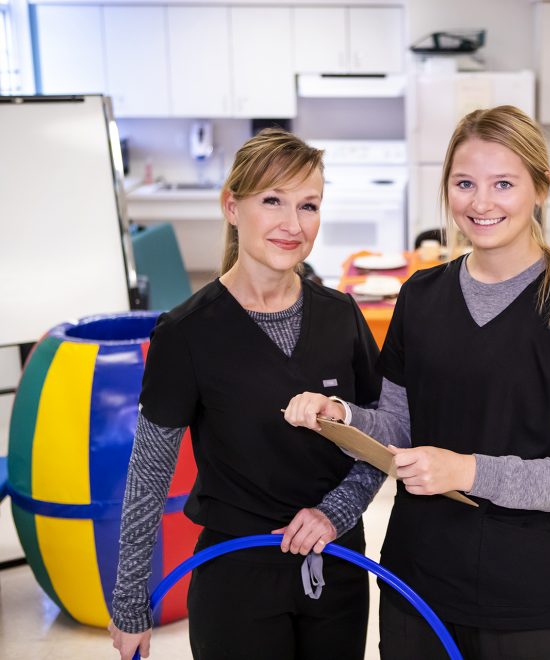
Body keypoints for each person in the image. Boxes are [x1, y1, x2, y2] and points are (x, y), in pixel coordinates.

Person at [284, 105, 550, 660]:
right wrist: (342, 416)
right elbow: (398, 428)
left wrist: (466, 470)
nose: (481, 202)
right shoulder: (420, 297)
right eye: (465, 183)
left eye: (503, 184)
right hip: (417, 585)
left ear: (540, 188)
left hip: (528, 601)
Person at [109, 128, 383, 660]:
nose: (293, 224)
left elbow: (383, 434)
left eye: (308, 205)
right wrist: (129, 601)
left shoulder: (341, 316)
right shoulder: (187, 333)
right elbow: (149, 474)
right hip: (236, 574)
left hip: (336, 565)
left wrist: (335, 512)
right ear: (232, 207)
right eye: (272, 200)